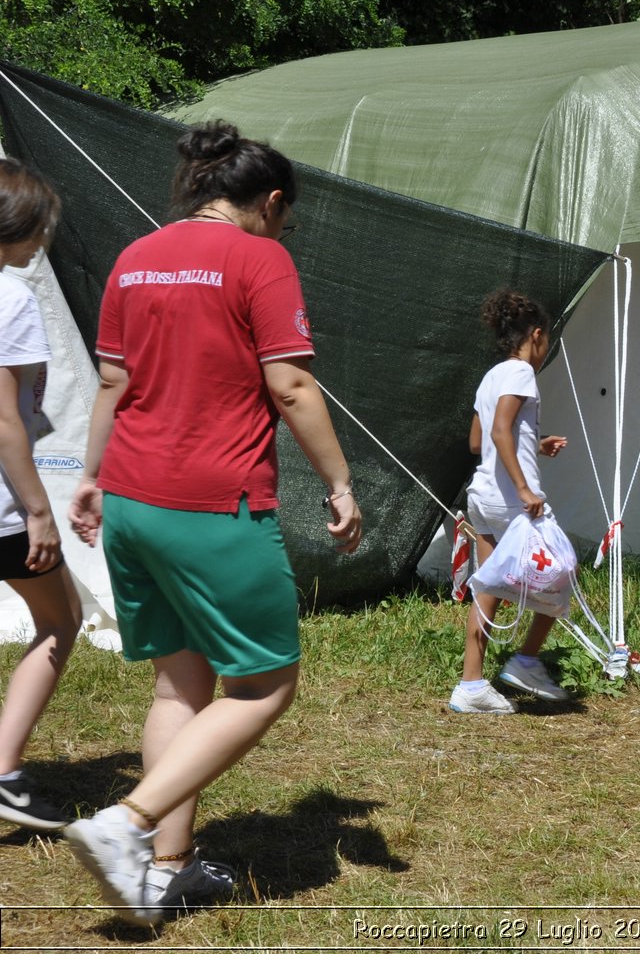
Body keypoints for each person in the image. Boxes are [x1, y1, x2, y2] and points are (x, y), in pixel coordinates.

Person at [64, 121, 363, 924]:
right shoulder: (260, 258)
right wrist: (339, 482)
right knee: (264, 684)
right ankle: (124, 825)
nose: (282, 230)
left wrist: (89, 478)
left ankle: (167, 867)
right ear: (269, 201)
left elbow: (110, 384)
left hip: (129, 499)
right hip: (211, 504)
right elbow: (292, 386)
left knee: (179, 682)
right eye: (285, 217)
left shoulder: (134, 256)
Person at [0, 159, 81, 833]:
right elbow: (4, 420)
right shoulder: (12, 298)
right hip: (0, 507)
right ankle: (4, 771)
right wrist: (36, 510)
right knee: (61, 618)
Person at [450, 289, 571, 714]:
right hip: (508, 502)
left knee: (490, 588)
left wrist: (533, 444)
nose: (546, 349)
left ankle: (472, 683)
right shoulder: (521, 373)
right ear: (536, 335)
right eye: (547, 340)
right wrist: (523, 487)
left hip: (483, 496)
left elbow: (477, 439)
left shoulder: (492, 376)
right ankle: (526, 661)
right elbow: (500, 431)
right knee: (560, 574)